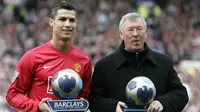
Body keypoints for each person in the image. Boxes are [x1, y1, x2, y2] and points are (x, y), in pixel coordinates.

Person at [88, 12, 188, 112]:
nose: (135, 34)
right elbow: (93, 100)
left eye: (139, 29)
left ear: (146, 32)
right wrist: (112, 106)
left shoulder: (164, 63)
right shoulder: (104, 66)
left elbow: (181, 94)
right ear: (121, 34)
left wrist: (162, 102)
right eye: (130, 30)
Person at [6, 1, 92, 112]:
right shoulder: (32, 57)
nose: (67, 24)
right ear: (51, 22)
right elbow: (12, 95)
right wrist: (37, 106)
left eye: (72, 20)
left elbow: (84, 99)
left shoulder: (84, 61)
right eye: (62, 19)